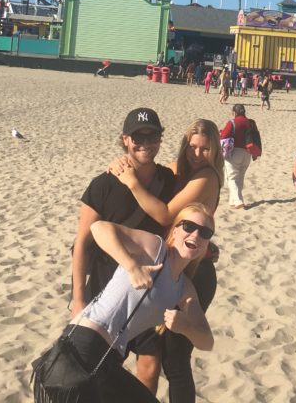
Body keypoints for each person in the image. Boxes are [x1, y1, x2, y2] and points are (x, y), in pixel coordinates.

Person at [107, 119, 223, 402]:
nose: (197, 154)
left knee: (176, 357)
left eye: (204, 149)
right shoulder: (179, 169)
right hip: (174, 264)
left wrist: (132, 183)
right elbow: (151, 169)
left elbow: (167, 216)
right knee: (162, 350)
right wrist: (121, 165)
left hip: (196, 271)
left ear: (215, 151)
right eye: (192, 147)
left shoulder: (206, 177)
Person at [70, 108, 177, 391]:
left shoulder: (168, 181)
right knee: (98, 371)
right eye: (138, 137)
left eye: (152, 135)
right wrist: (78, 299)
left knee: (150, 367)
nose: (146, 143)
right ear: (125, 140)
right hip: (106, 289)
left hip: (148, 293)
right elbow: (82, 243)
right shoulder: (103, 184)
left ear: (160, 138)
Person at [62, 205, 216, 401]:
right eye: (188, 226)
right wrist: (131, 265)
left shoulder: (184, 288)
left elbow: (207, 341)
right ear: (175, 230)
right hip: (81, 346)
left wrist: (186, 327)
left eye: (205, 232)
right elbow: (99, 228)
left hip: (108, 358)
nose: (196, 234)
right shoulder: (156, 248)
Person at [219, 104, 252, 210]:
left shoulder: (233, 122)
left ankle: (237, 200)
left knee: (231, 178)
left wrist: (220, 132)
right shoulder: (250, 123)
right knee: (240, 177)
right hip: (247, 153)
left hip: (235, 152)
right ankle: (233, 201)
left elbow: (224, 135)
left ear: (234, 112)